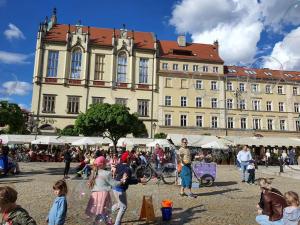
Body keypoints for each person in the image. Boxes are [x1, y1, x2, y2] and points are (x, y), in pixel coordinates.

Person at [86, 156, 126, 225]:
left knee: (98, 211)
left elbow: (91, 184)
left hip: (95, 195)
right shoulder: (106, 173)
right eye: (105, 163)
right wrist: (121, 181)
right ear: (102, 164)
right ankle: (107, 222)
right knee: (104, 210)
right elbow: (114, 184)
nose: (106, 164)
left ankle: (99, 222)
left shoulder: (94, 172)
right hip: (103, 194)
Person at [112, 152, 146, 225]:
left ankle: (108, 211)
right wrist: (139, 180)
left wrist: (138, 179)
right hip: (120, 189)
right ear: (128, 159)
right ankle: (117, 223)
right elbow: (128, 181)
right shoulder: (128, 169)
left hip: (114, 188)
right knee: (123, 207)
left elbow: (122, 176)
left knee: (119, 204)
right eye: (131, 159)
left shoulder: (119, 165)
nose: (132, 161)